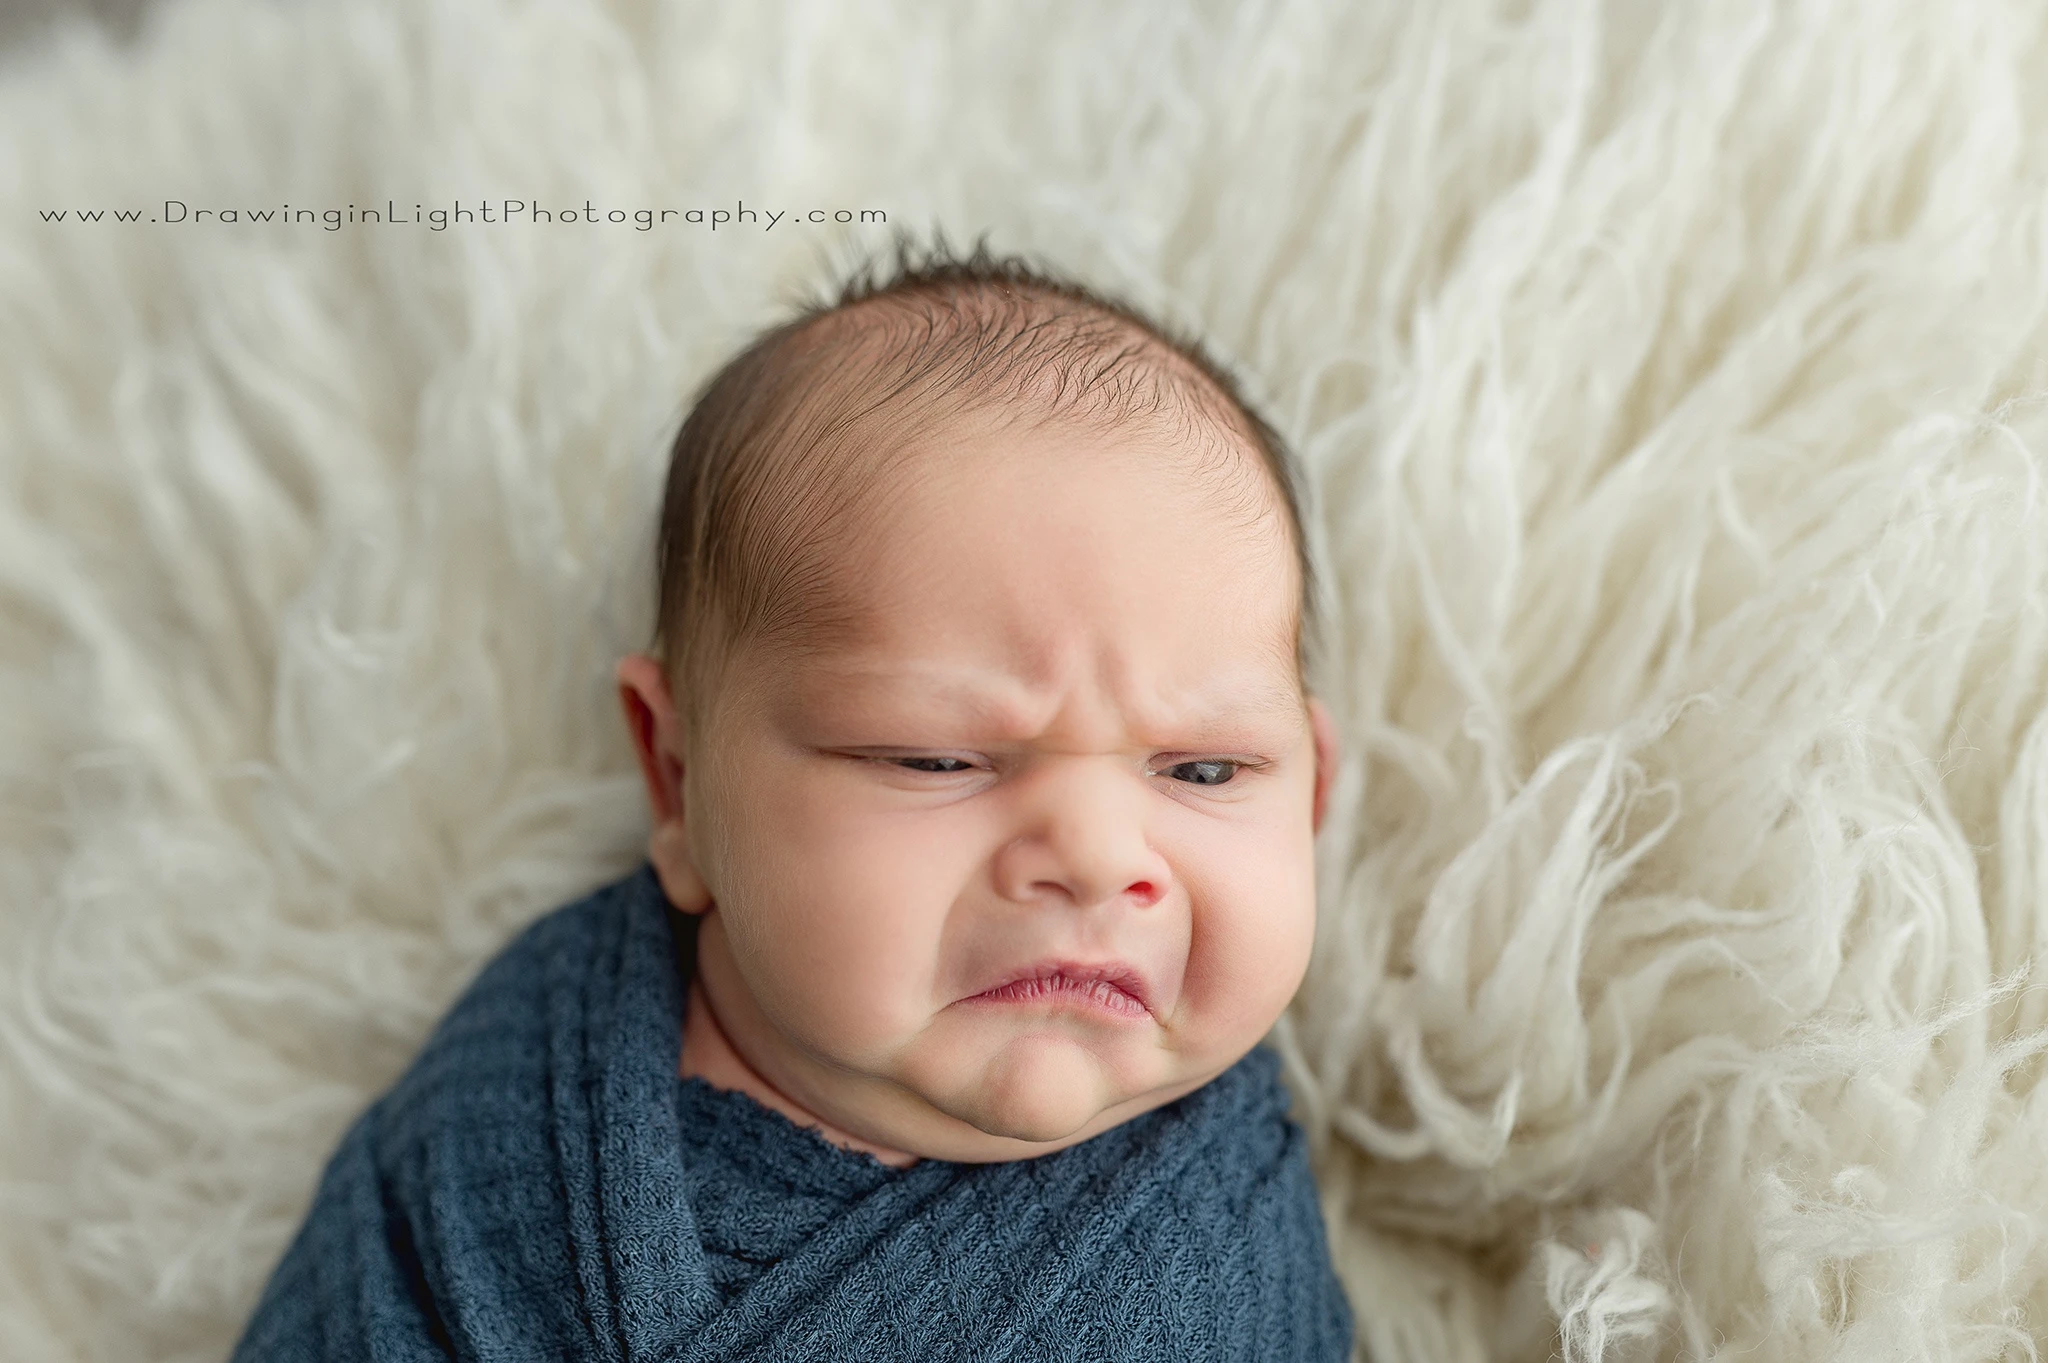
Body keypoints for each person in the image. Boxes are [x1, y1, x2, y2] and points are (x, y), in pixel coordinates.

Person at [232, 234, 1358, 1362]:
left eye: (1204, 770)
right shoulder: (526, 1090)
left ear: (1310, 792)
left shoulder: (1227, 1246)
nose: (1098, 855)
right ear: (678, 780)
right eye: (933, 759)